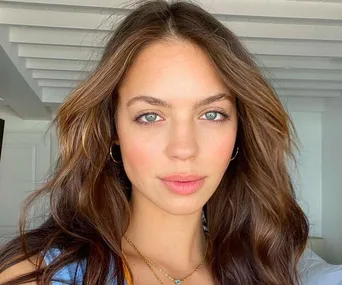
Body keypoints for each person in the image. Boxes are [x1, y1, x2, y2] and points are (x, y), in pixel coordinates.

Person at [0, 0, 322, 284]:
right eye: (150, 116)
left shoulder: (266, 268)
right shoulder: (40, 276)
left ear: (240, 128)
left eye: (211, 114)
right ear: (113, 128)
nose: (183, 149)